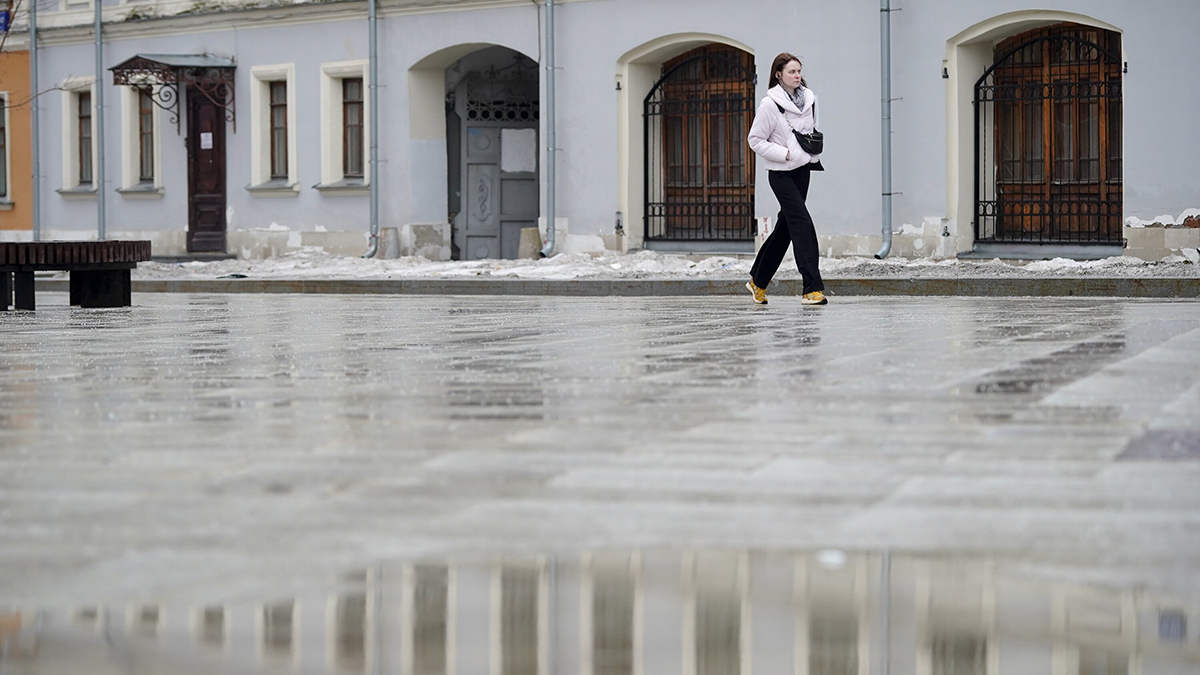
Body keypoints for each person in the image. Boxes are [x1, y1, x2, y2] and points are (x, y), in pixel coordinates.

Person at [745, 53, 827, 305]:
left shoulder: (809, 99)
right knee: (802, 224)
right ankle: (811, 288)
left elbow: (808, 130)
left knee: (786, 228)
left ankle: (757, 281)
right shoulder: (770, 104)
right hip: (780, 174)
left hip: (803, 171)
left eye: (799, 71)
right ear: (778, 74)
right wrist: (785, 153)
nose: (797, 75)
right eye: (791, 71)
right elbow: (755, 140)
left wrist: (806, 154)